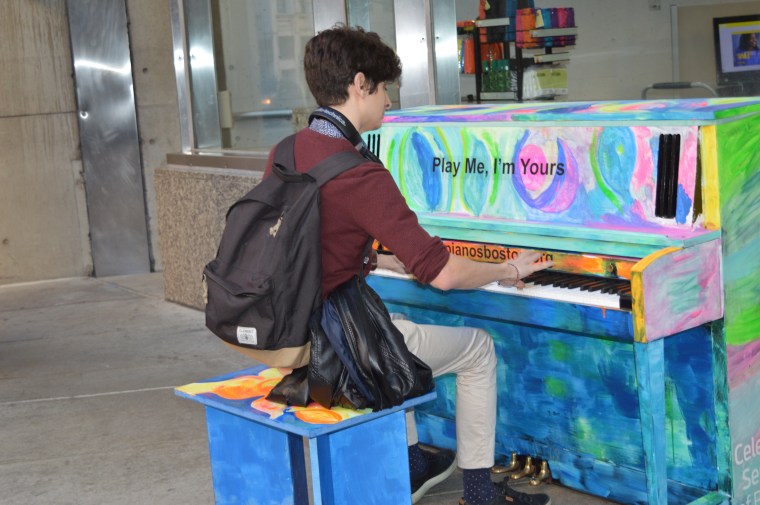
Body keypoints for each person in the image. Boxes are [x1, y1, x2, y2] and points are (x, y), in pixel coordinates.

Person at [265, 25, 554, 505]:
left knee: (394, 323)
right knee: (478, 348)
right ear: (359, 85)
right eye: (384, 88)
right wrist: (509, 269)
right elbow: (445, 274)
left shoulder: (286, 151)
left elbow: (309, 242)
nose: (389, 100)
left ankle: (414, 461)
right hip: (336, 350)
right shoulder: (358, 172)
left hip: (291, 334)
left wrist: (382, 260)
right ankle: (479, 492)